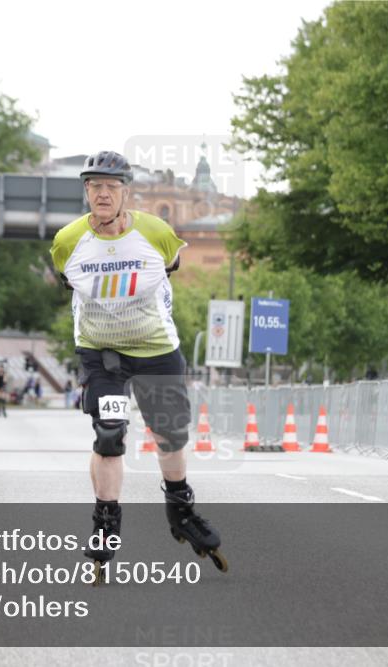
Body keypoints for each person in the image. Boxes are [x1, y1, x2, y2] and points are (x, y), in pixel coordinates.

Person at [49, 150, 227, 579]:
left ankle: (180, 509)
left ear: (127, 192)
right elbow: (65, 280)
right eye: (95, 186)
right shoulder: (68, 241)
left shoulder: (158, 233)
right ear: (86, 192)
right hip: (101, 351)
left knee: (169, 432)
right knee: (109, 435)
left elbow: (169, 268)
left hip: (155, 348)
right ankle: (105, 524)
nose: (103, 194)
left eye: (111, 187)